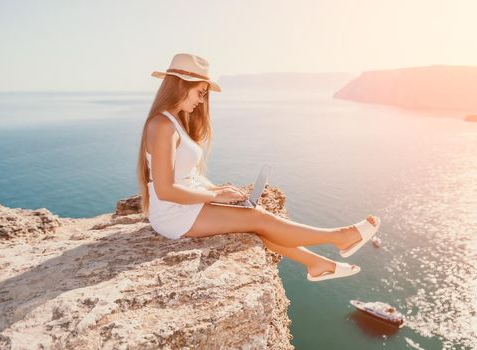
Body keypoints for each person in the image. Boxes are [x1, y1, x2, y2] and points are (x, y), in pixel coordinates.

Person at [137, 53, 381, 282]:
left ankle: (315, 264)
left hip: (186, 206)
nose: (202, 101)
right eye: (200, 92)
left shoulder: (173, 121)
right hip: (173, 215)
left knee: (254, 220)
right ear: (182, 85)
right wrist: (215, 196)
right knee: (258, 218)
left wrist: (218, 189)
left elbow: (187, 175)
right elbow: (166, 190)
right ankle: (340, 237)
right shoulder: (162, 125)